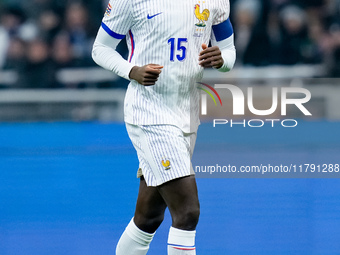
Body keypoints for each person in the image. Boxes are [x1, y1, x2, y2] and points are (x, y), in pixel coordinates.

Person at [92, 0, 236, 254]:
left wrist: (222, 59)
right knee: (188, 211)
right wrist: (131, 70)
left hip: (187, 112)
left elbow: (229, 51)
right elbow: (100, 48)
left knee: (149, 217)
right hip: (149, 111)